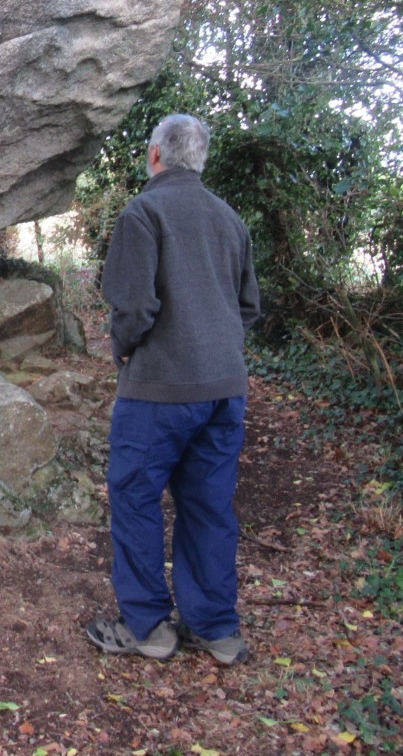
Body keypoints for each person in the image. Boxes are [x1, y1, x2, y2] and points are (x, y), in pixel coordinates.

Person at [85, 113, 261, 665]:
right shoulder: (230, 219)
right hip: (224, 388)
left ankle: (147, 628)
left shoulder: (145, 212)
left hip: (158, 389)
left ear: (156, 155)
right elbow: (249, 306)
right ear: (199, 158)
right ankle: (217, 630)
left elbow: (132, 307)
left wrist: (127, 349)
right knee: (209, 506)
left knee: (135, 499)